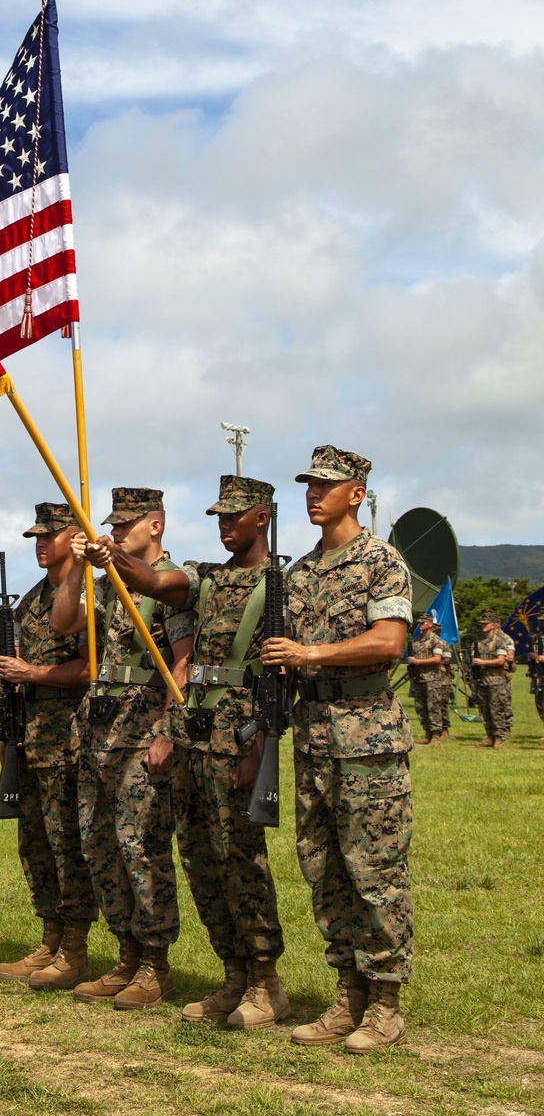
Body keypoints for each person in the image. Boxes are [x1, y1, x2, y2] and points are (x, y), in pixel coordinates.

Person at [93, 475, 290, 1027]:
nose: (224, 524)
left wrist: (261, 748)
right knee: (201, 861)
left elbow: (280, 680)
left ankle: (264, 981)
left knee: (241, 861)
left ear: (263, 516)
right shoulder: (206, 578)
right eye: (218, 516)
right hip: (193, 737)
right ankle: (233, 976)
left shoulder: (281, 585)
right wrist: (112, 555)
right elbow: (154, 580)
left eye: (235, 515)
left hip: (239, 740)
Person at [261, 445, 413, 1053]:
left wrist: (310, 655)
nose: (313, 492)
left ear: (357, 493)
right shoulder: (296, 574)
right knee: (322, 869)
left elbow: (389, 641)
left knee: (375, 870)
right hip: (314, 736)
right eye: (308, 483)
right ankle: (347, 993)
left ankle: (385, 1005)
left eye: (327, 484)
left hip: (367, 736)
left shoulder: (382, 560)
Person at [52, 487, 193, 1011]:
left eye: (127, 524)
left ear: (154, 526)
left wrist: (166, 731)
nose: (115, 531)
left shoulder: (170, 586)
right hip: (99, 733)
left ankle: (156, 964)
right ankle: (126, 954)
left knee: (141, 849)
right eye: (113, 524)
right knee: (100, 846)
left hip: (141, 735)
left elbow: (183, 662)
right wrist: (76, 571)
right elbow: (64, 622)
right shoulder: (110, 584)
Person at [0, 503, 97, 991]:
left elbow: (88, 667)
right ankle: (50, 937)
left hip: (67, 736)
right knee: (34, 843)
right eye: (36, 535)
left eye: (50, 534)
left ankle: (75, 947)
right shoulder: (33, 598)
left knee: (66, 842)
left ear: (73, 536)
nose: (40, 542)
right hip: (28, 734)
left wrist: (30, 673)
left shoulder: (84, 593)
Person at [471, 610, 515, 749]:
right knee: (484, 710)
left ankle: (499, 737)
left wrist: (482, 662)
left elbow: (501, 660)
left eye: (486, 623)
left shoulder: (500, 642)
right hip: (482, 680)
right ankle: (489, 736)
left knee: (497, 709)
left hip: (496, 680)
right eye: (482, 623)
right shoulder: (478, 642)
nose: (483, 626)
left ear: (493, 625)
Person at [409, 615, 451, 746]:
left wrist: (418, 661)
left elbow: (437, 659)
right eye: (419, 622)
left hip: (432, 678)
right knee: (421, 707)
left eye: (423, 622)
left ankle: (436, 736)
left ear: (430, 624)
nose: (420, 624)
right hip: (419, 678)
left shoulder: (435, 641)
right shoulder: (415, 641)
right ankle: (427, 733)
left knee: (433, 706)